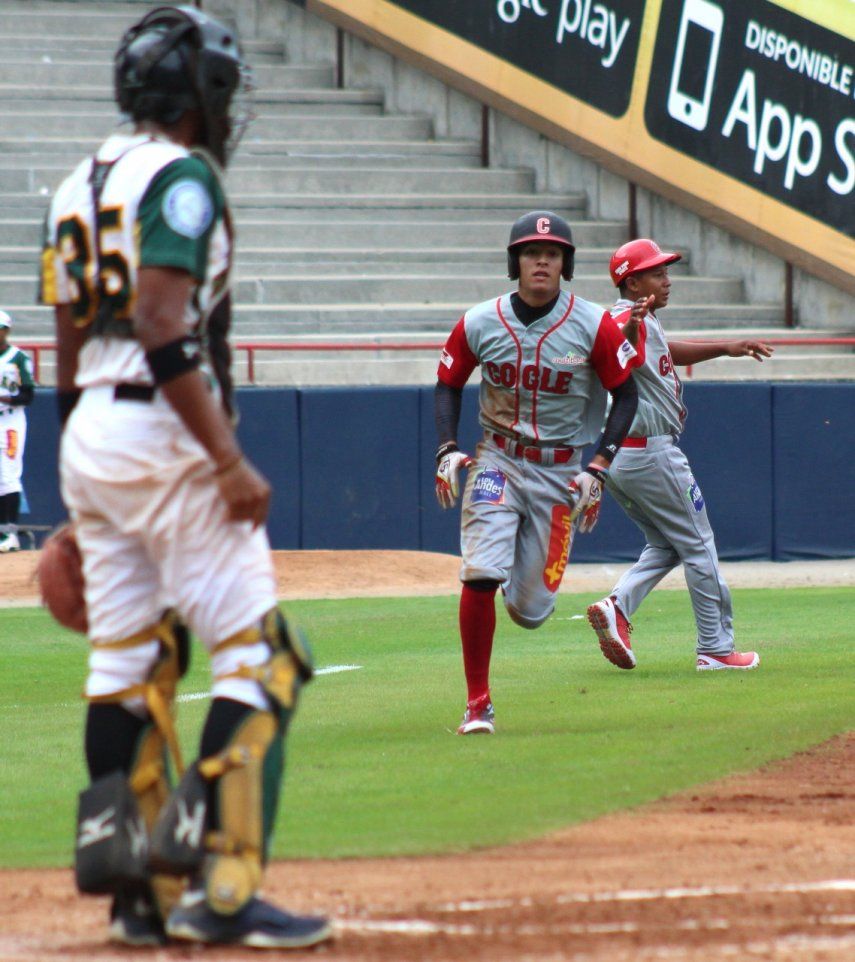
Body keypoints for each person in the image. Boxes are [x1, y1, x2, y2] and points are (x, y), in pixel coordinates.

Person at [39, 6, 331, 950]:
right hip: (164, 433)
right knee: (264, 660)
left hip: (91, 430)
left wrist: (79, 499)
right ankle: (223, 887)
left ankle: (137, 901)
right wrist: (228, 461)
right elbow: (164, 323)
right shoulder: (182, 177)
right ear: (198, 94)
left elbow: (70, 349)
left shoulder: (78, 184)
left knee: (126, 667)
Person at [434, 210, 651, 735]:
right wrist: (446, 447)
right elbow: (448, 382)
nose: (541, 262)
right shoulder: (480, 319)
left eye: (551, 254)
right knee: (480, 573)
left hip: (560, 471)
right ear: (516, 261)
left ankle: (516, 563)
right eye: (532, 253)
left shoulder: (593, 323)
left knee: (530, 610)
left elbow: (626, 394)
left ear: (565, 264)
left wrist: (599, 466)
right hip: (498, 460)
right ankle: (477, 703)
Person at [587, 238, 773, 671]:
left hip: (619, 455)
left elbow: (661, 352)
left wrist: (726, 347)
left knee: (667, 543)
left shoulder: (641, 319)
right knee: (699, 545)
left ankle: (617, 606)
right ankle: (716, 648)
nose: (667, 280)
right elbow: (624, 347)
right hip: (650, 452)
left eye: (666, 271)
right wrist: (632, 329)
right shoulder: (625, 321)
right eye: (657, 273)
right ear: (632, 282)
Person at [0, 310, 34, 552]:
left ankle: (9, 534)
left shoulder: (18, 358)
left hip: (10, 421)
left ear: (6, 330)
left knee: (8, 475)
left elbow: (28, 395)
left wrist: (6, 399)